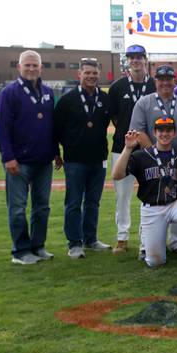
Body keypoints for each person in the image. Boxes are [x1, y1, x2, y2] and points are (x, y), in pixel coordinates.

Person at [111, 118, 177, 277]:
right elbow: (116, 175)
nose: (164, 133)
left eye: (168, 130)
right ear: (154, 133)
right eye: (161, 130)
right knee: (155, 262)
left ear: (174, 133)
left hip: (175, 204)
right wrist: (127, 148)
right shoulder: (141, 156)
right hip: (152, 209)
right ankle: (147, 243)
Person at [129, 65, 177, 257]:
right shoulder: (144, 103)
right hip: (152, 161)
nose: (165, 83)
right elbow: (139, 131)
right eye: (161, 79)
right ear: (156, 81)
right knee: (151, 199)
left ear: (174, 81)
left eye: (169, 79)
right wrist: (153, 154)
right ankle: (146, 245)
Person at [0, 50, 58, 264]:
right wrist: (8, 157)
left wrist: (56, 152)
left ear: (41, 68)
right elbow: (1, 130)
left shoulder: (48, 92)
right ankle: (20, 251)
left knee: (42, 207)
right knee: (18, 208)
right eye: (27, 65)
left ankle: (38, 246)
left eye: (35, 65)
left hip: (43, 161)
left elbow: (51, 127)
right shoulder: (9, 93)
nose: (31, 69)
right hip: (19, 162)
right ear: (19, 67)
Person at [53, 58, 112, 258]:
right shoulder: (67, 100)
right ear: (79, 74)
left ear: (99, 75)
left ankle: (90, 239)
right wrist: (56, 154)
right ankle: (74, 243)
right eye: (87, 73)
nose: (91, 76)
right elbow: (55, 130)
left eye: (94, 73)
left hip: (98, 159)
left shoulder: (104, 99)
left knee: (93, 202)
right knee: (74, 202)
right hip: (75, 160)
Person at [108, 44, 155, 254]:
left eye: (139, 57)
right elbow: (115, 117)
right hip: (123, 146)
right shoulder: (118, 87)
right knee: (123, 194)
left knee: (154, 192)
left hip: (150, 148)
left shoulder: (155, 84)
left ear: (145, 59)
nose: (135, 61)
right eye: (131, 57)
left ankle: (151, 235)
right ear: (127, 61)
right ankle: (122, 237)